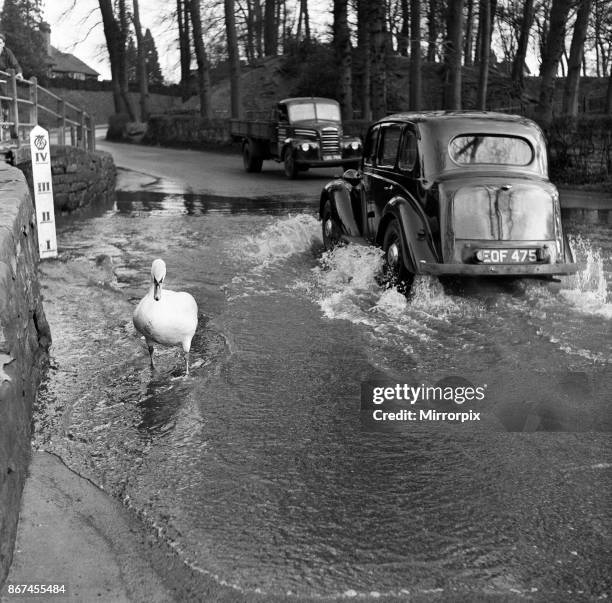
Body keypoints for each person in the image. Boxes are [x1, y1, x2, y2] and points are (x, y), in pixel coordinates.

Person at [0, 33, 23, 141]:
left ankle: (5, 116)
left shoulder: (7, 52)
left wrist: (19, 73)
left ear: (3, 44)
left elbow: (15, 64)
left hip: (3, 79)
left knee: (5, 99)